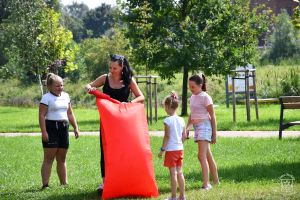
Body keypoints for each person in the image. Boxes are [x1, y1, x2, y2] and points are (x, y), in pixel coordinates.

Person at [84, 54, 144, 193]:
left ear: (122, 67)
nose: (111, 70)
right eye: (110, 67)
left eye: (115, 68)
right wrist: (88, 88)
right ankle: (105, 183)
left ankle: (124, 180)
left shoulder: (129, 80)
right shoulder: (105, 78)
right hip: (107, 121)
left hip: (124, 122)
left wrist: (129, 103)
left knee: (123, 151)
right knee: (106, 150)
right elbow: (89, 85)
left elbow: (141, 97)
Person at [39, 73, 79, 189]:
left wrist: (75, 128)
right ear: (50, 86)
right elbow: (41, 115)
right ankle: (45, 185)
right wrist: (44, 131)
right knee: (49, 158)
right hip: (51, 128)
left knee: (62, 158)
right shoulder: (46, 98)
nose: (60, 87)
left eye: (62, 85)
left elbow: (70, 113)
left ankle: (64, 183)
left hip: (63, 127)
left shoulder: (66, 96)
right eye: (57, 86)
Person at [186, 74, 219, 190]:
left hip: (205, 126)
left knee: (201, 156)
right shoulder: (193, 97)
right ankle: (216, 181)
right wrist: (187, 128)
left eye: (193, 87)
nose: (191, 89)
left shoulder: (205, 97)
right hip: (197, 127)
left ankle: (206, 185)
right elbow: (192, 114)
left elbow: (213, 116)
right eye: (190, 86)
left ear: (200, 85)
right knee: (207, 156)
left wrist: (214, 134)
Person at [158, 91, 186, 200]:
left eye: (164, 106)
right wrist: (180, 144)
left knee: (173, 174)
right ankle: (182, 196)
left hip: (171, 151)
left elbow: (167, 136)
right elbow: (184, 136)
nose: (164, 109)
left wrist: (162, 150)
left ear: (168, 106)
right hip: (180, 150)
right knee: (180, 172)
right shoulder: (182, 120)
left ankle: (173, 197)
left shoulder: (167, 120)